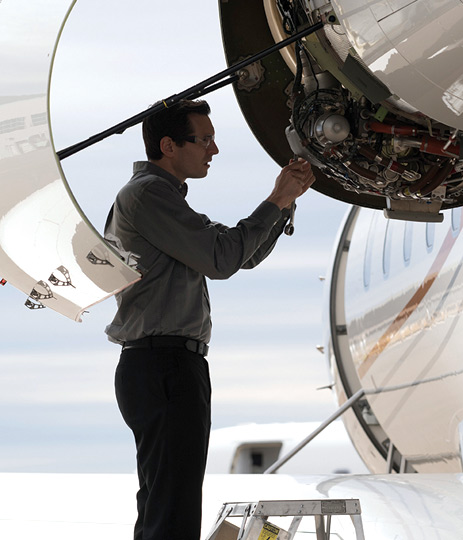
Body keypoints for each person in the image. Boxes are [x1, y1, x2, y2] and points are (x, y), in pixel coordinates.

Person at [103, 99, 314, 540]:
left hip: (163, 364)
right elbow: (222, 258)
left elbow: (241, 255)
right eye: (205, 140)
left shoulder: (163, 203)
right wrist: (276, 199)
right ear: (169, 146)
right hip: (165, 365)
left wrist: (284, 204)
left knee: (165, 504)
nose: (213, 150)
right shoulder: (149, 195)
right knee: (172, 511)